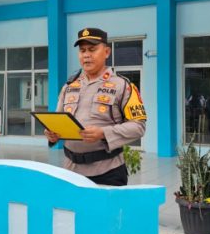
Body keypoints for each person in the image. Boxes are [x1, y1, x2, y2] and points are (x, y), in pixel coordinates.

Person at [44, 27, 147, 186]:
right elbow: (58, 120)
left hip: (107, 171)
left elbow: (138, 126)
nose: (86, 55)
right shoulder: (69, 86)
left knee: (104, 212)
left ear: (106, 52)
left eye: (92, 49)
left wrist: (103, 133)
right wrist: (53, 134)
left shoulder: (122, 86)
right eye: (82, 50)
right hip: (71, 170)